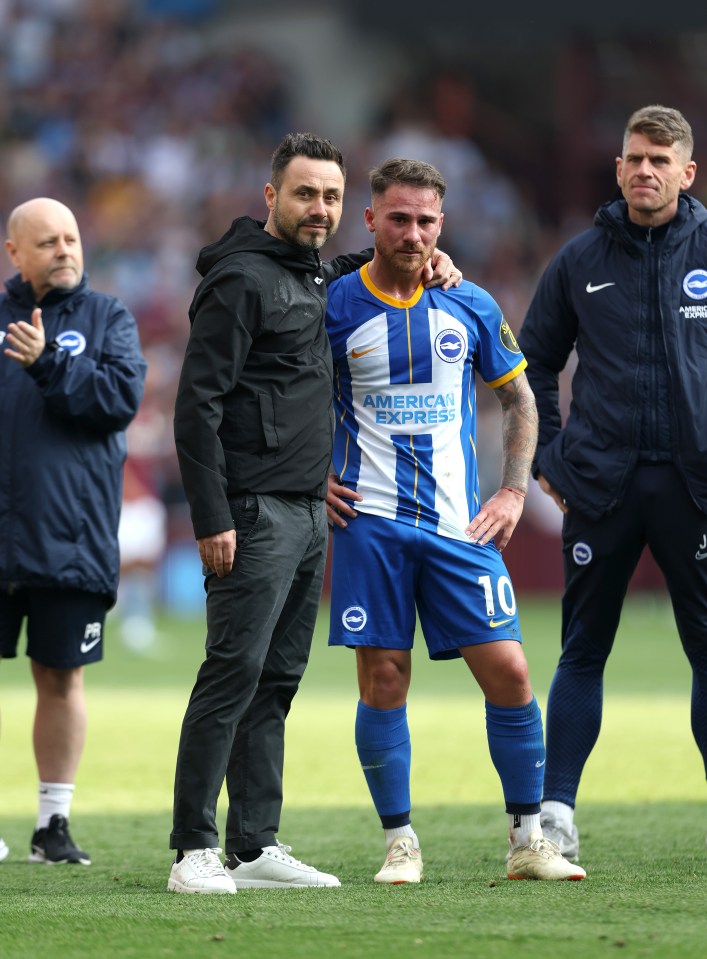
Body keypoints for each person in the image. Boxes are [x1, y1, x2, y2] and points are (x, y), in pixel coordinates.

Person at [167, 133, 459, 895]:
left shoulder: (308, 276)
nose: (319, 208)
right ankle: (193, 849)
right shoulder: (239, 282)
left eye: (330, 196)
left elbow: (360, 274)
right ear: (271, 197)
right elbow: (195, 406)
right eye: (304, 193)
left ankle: (254, 843)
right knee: (231, 674)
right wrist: (211, 516)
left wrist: (433, 262)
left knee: (276, 680)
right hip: (250, 511)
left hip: (306, 513)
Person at [325, 157, 585, 882]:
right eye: (398, 218)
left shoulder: (467, 302)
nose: (412, 232)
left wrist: (509, 492)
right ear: (370, 219)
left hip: (455, 526)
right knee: (383, 679)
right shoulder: (335, 305)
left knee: (509, 670)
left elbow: (522, 399)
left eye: (425, 220)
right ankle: (399, 841)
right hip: (369, 522)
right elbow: (281, 394)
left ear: (443, 224)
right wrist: (310, 474)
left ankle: (528, 838)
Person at [518, 105, 707, 859]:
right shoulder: (578, 260)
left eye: (659, 159)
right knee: (582, 649)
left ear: (686, 172)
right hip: (601, 487)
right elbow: (527, 363)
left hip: (695, 489)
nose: (644, 170)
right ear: (619, 166)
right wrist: (549, 458)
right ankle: (556, 810)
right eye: (633, 158)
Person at [0, 197, 147, 865]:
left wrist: (47, 364)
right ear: (15, 254)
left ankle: (51, 825)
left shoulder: (107, 317)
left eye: (71, 238)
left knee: (61, 678)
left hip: (71, 537)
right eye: (48, 241)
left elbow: (118, 402)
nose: (64, 249)